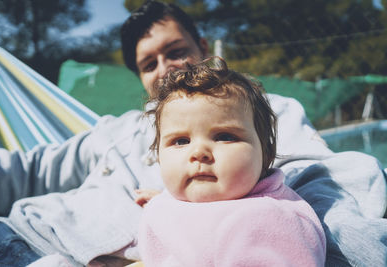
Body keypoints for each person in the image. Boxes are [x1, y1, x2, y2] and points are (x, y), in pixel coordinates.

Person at [0, 0, 385, 266]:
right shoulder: (112, 133)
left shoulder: (262, 110)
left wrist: (348, 242)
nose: (166, 68)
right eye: (149, 63)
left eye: (175, 50)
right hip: (31, 239)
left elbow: (319, 177)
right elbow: (26, 169)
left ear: (201, 45)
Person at [137, 56, 326, 266]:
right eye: (181, 141)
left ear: (266, 154)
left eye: (225, 137)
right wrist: (162, 199)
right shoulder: (176, 200)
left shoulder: (267, 222)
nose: (199, 152)